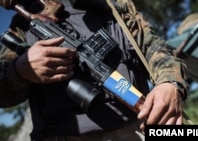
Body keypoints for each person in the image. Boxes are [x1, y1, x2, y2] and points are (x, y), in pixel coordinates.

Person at [0, 0, 188, 141]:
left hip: (137, 129)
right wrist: (20, 70)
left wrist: (170, 84)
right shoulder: (21, 26)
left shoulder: (116, 6)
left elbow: (157, 50)